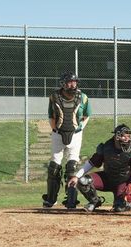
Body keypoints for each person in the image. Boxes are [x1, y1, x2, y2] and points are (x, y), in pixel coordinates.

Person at [68, 124, 131, 212]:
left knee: (119, 208)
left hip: (123, 182)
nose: (127, 138)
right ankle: (94, 201)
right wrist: (77, 176)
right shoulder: (106, 147)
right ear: (116, 136)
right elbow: (92, 162)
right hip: (107, 178)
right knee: (83, 181)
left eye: (128, 136)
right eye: (124, 136)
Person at [42, 71, 92, 208]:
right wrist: (55, 130)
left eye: (74, 82)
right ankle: (51, 199)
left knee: (72, 168)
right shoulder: (54, 96)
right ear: (63, 84)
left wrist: (80, 128)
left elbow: (87, 115)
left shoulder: (83, 97)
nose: (72, 84)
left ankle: (71, 201)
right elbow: (51, 115)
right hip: (58, 134)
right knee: (54, 167)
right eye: (69, 82)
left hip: (75, 134)